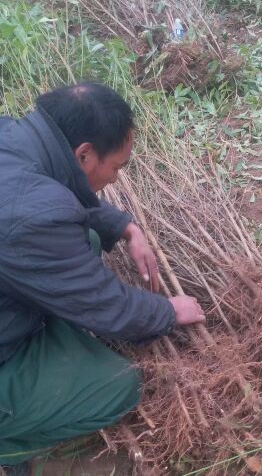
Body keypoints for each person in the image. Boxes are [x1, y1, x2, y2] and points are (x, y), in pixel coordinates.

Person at [0, 83, 206, 475]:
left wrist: (127, 228)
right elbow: (105, 306)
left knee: (89, 239)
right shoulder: (31, 216)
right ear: (84, 154)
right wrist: (167, 310)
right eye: (117, 167)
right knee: (117, 386)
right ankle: (8, 443)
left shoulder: (11, 136)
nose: (114, 179)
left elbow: (50, 190)